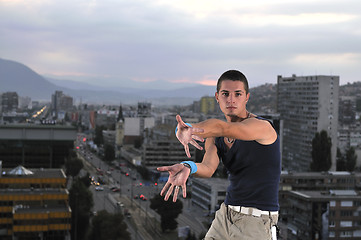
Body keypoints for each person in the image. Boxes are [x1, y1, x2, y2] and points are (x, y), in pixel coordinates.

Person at [157, 70, 281, 240]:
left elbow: (224, 127)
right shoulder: (216, 138)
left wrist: (189, 128)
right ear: (217, 97)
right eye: (225, 94)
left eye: (238, 94)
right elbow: (208, 168)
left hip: (256, 222)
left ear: (247, 97)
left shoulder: (262, 127)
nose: (231, 99)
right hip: (225, 215)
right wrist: (188, 166)